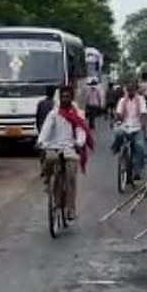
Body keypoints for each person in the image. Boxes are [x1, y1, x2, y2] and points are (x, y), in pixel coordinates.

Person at [36, 85, 94, 220]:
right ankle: (48, 182)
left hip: (70, 148)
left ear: (71, 97)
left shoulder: (78, 114)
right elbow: (46, 130)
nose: (65, 99)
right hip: (54, 146)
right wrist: (40, 142)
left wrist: (79, 143)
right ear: (59, 98)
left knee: (71, 179)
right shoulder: (54, 113)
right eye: (63, 97)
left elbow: (81, 131)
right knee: (48, 160)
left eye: (67, 97)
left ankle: (70, 209)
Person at [112, 83, 147, 183]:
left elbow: (143, 114)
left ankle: (137, 172)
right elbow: (119, 113)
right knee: (118, 133)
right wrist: (116, 119)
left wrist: (143, 126)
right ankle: (116, 148)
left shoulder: (140, 100)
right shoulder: (122, 100)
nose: (130, 92)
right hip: (125, 127)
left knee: (140, 147)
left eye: (132, 90)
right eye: (128, 90)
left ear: (135, 90)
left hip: (137, 127)